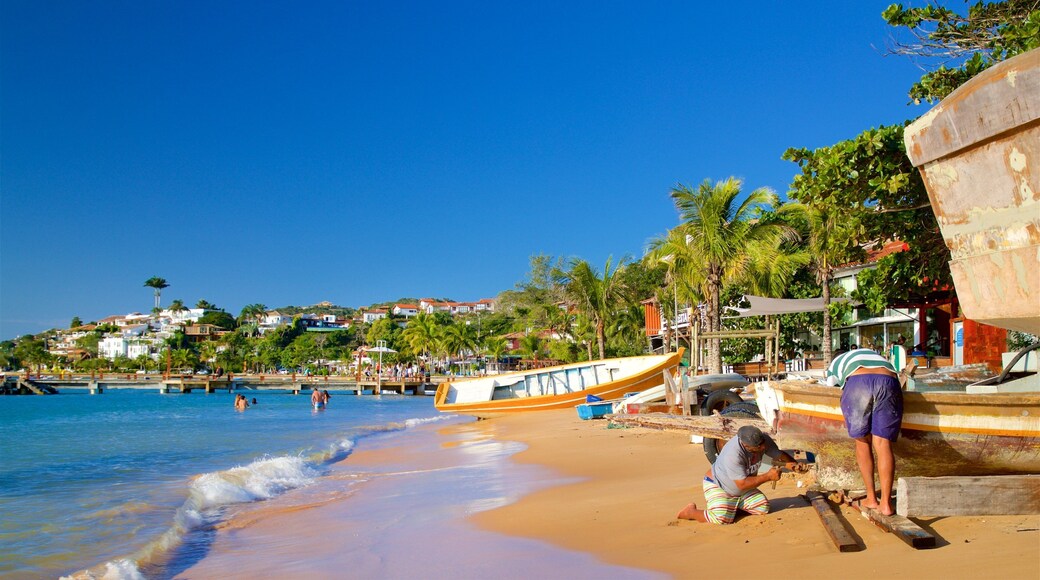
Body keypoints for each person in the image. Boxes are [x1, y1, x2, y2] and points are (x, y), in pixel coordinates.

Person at [827, 348, 903, 516]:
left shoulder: (836, 363)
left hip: (859, 383)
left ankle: (871, 498)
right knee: (882, 443)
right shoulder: (874, 355)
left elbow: (831, 388)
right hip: (889, 380)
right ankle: (886, 504)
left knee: (862, 441)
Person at [677, 426, 798, 525]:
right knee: (721, 519)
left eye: (762, 443)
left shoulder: (762, 441)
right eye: (758, 446)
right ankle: (691, 512)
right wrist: (768, 476)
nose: (763, 447)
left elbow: (778, 454)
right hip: (718, 485)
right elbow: (742, 484)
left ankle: (731, 509)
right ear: (746, 446)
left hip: (742, 490)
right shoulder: (733, 454)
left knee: (763, 508)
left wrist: (794, 465)